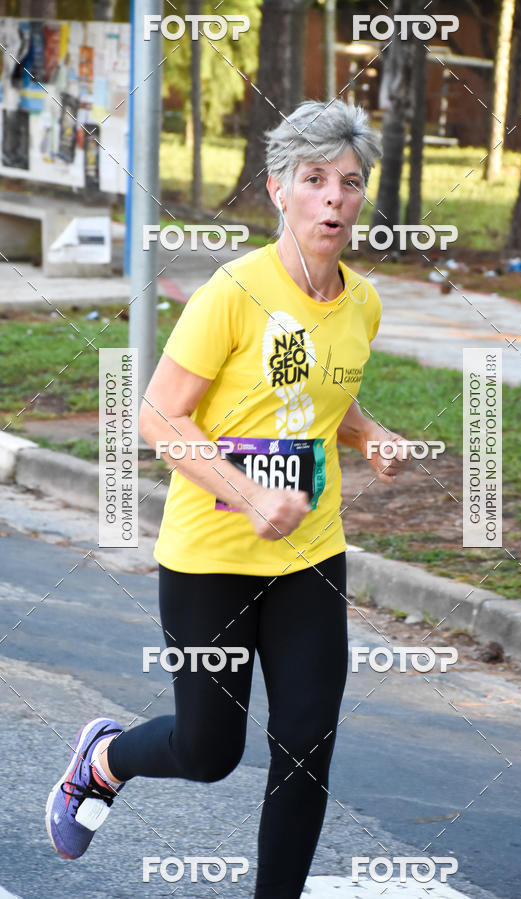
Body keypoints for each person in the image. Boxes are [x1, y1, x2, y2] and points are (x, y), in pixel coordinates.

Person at [46, 98, 409, 898]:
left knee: (306, 747)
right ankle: (101, 760)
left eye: (350, 182)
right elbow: (156, 415)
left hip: (311, 553)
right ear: (279, 189)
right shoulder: (233, 292)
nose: (334, 198)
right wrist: (248, 496)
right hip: (210, 558)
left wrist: (370, 434)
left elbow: (321, 395)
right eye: (314, 179)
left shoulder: (362, 302)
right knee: (209, 751)